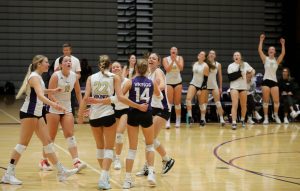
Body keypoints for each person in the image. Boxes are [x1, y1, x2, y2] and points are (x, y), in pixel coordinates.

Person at [1, 55, 78, 185]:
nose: (48, 65)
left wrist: (52, 90)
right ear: (39, 64)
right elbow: (41, 96)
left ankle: (61, 171)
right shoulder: (34, 77)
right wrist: (54, 104)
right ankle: (8, 174)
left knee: (47, 142)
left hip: (37, 113)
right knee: (22, 144)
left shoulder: (38, 77)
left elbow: (41, 91)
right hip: (29, 113)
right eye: (46, 62)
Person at [77, 55, 147, 190]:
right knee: (109, 148)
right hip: (108, 114)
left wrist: (80, 115)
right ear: (109, 66)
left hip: (94, 116)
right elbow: (119, 97)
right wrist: (137, 106)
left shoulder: (91, 78)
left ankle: (105, 175)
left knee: (99, 147)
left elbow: (85, 98)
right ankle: (104, 176)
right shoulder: (113, 77)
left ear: (99, 65)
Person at [39, 55, 86, 172]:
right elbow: (50, 94)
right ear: (60, 65)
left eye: (70, 61)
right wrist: (57, 104)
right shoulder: (55, 76)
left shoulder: (74, 76)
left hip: (67, 108)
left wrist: (81, 106)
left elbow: (78, 92)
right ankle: (44, 161)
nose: (69, 62)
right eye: (66, 61)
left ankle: (76, 161)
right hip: (54, 108)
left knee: (70, 134)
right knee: (51, 137)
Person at [122, 59, 162, 189]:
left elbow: (120, 97)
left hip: (133, 113)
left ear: (136, 69)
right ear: (147, 70)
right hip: (146, 114)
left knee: (132, 149)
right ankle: (151, 173)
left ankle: (127, 180)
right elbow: (159, 96)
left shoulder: (130, 82)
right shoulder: (151, 82)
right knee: (149, 146)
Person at [135, 53, 175, 178]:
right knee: (148, 139)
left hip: (162, 109)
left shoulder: (158, 71)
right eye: (149, 58)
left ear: (158, 62)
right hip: (152, 109)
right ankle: (158, 162)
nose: (151, 59)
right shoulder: (148, 74)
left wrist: (155, 87)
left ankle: (165, 160)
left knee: (150, 139)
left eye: (154, 58)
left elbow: (162, 85)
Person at [258, 34, 286, 124]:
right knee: (266, 101)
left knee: (276, 101)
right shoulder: (265, 59)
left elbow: (283, 53)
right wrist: (261, 40)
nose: (271, 50)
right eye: (270, 49)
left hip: (274, 82)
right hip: (266, 81)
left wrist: (282, 44)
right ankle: (266, 118)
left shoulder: (277, 60)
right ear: (268, 51)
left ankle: (276, 115)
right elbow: (259, 50)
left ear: (274, 52)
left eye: (273, 49)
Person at [227, 51, 255, 130]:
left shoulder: (245, 64)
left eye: (238, 55)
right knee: (235, 104)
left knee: (243, 105)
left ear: (240, 57)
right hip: (234, 87)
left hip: (243, 87)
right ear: (233, 57)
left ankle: (242, 119)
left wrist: (250, 74)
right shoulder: (230, 66)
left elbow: (253, 71)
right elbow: (231, 77)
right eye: (235, 55)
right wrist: (240, 73)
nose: (236, 56)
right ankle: (234, 122)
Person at [111, 61, 130, 170]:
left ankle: (117, 158)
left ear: (121, 69)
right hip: (114, 109)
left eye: (118, 67)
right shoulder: (109, 82)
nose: (116, 68)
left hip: (125, 110)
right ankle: (113, 153)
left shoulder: (127, 82)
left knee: (119, 133)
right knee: (112, 134)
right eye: (113, 67)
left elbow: (120, 96)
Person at [54, 43, 82, 116]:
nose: (66, 52)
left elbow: (78, 74)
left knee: (71, 101)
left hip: (71, 84)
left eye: (67, 50)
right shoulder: (58, 60)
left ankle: (71, 116)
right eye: (64, 50)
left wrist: (73, 79)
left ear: (70, 50)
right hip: (60, 83)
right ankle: (58, 114)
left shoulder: (76, 60)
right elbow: (55, 73)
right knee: (58, 98)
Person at [185, 51, 209, 126]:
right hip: (193, 83)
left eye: (202, 54)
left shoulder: (205, 66)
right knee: (188, 99)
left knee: (201, 104)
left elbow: (205, 80)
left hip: (202, 86)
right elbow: (193, 76)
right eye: (199, 53)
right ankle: (190, 117)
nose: (200, 55)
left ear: (204, 58)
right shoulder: (194, 64)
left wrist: (200, 89)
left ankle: (202, 119)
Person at [162, 47, 184, 128]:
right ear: (170, 51)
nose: (173, 51)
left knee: (177, 103)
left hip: (178, 82)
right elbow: (167, 69)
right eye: (172, 50)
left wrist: (175, 60)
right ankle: (167, 120)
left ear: (177, 52)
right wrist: (172, 61)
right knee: (169, 103)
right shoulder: (165, 59)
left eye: (175, 50)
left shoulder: (180, 58)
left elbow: (181, 68)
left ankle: (178, 120)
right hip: (168, 82)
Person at [206, 50, 225, 125]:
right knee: (204, 103)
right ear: (208, 55)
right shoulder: (205, 63)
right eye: (210, 53)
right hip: (206, 86)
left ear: (215, 56)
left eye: (213, 53)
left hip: (214, 85)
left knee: (218, 103)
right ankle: (203, 119)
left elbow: (220, 76)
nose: (211, 54)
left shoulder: (218, 64)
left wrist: (220, 87)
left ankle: (221, 119)